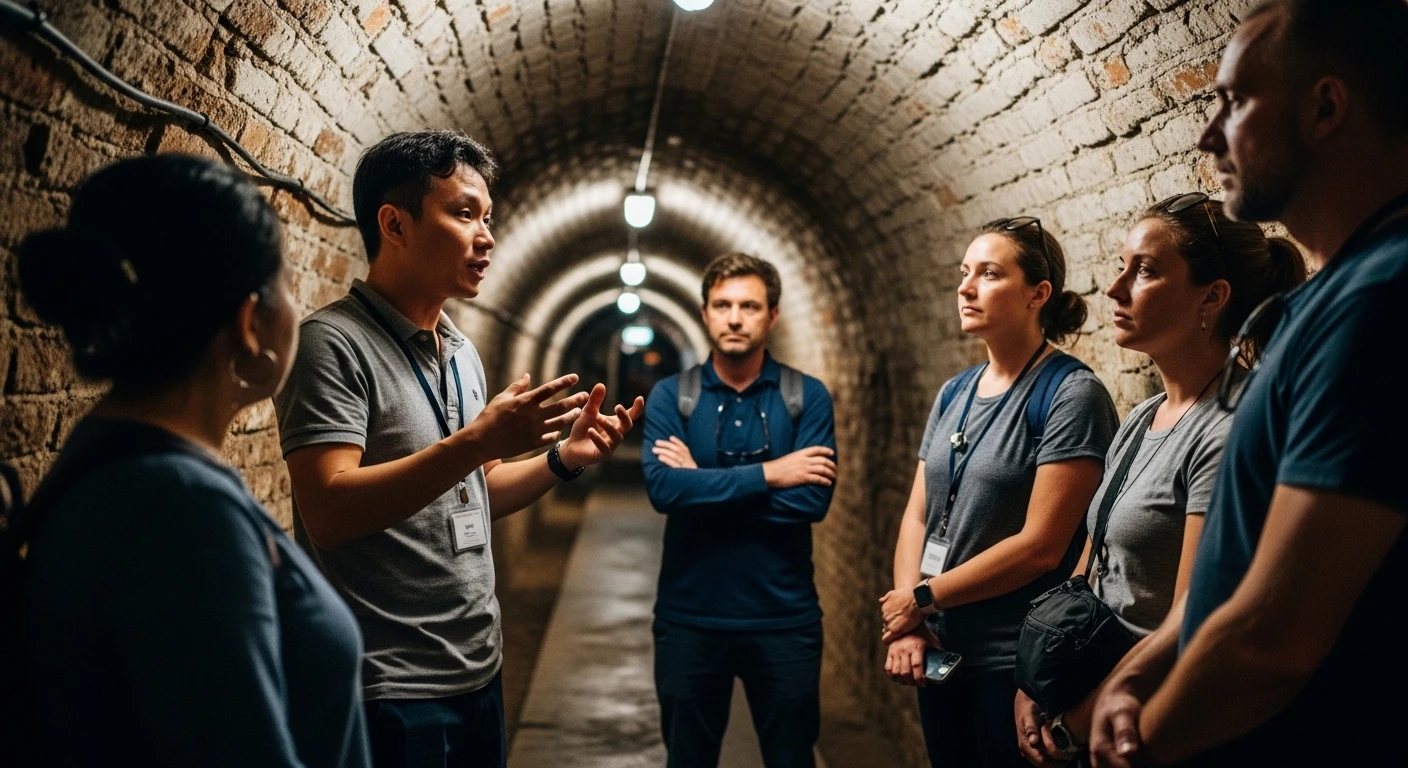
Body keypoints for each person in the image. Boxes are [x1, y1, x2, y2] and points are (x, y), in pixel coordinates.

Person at [1085, 2, 1408, 765]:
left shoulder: (1381, 301)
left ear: (1325, 106)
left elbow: (1276, 635)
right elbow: (1243, 558)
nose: (1207, 134)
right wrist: (1135, 675)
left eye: (1232, 102)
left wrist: (1146, 746)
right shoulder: (1323, 300)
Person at [274, 130, 643, 768]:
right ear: (394, 223)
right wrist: (479, 440)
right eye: (464, 213)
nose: (487, 236)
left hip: (478, 666)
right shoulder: (332, 346)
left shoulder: (460, 352)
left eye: (488, 217)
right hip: (387, 686)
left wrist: (562, 460)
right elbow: (328, 512)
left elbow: (476, 489)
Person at [15, 154, 369, 766]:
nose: (296, 301)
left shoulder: (115, 458)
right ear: (249, 321)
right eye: (287, 281)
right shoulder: (181, 512)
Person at [1012, 194, 1306, 766]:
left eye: (1144, 270)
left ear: (1212, 297)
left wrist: (1077, 724)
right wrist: (1035, 680)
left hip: (1147, 720)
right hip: (1089, 696)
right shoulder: (1146, 416)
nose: (1115, 289)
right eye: (1122, 266)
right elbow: (1091, 568)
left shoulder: (1226, 431)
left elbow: (1190, 622)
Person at [880, 218, 1118, 767]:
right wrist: (912, 623)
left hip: (1009, 668)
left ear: (1038, 294)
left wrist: (919, 600)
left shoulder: (1070, 396)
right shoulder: (954, 392)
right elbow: (918, 514)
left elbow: (1042, 546)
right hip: (940, 655)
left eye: (989, 274)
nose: (966, 287)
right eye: (965, 273)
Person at [642, 253, 837, 768]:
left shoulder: (806, 397)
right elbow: (664, 491)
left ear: (771, 316)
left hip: (784, 621)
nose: (734, 317)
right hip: (690, 620)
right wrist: (772, 474)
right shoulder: (671, 397)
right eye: (722, 305)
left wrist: (700, 486)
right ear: (705, 312)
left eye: (748, 306)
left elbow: (811, 501)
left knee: (792, 758)